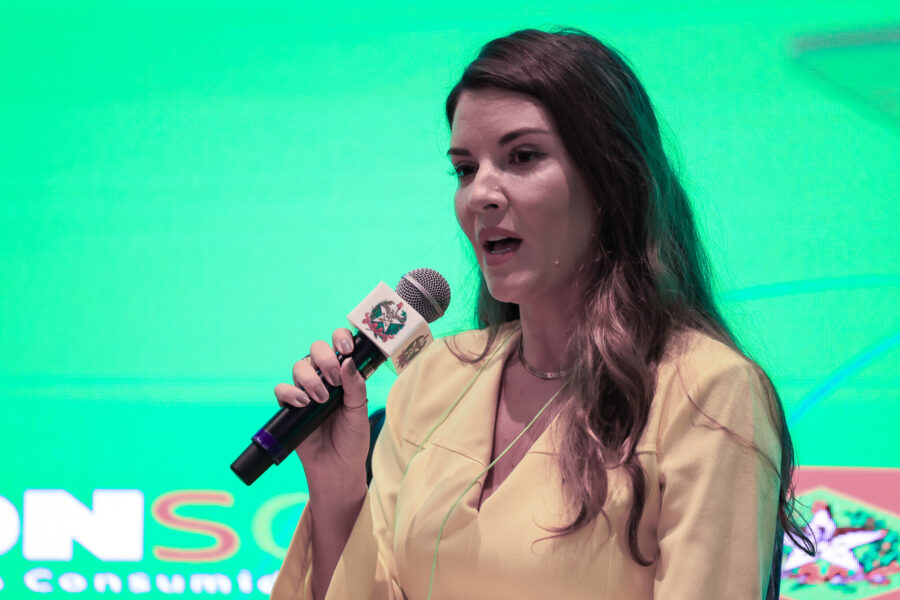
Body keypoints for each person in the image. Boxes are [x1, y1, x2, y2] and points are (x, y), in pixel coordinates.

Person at [270, 27, 812, 600]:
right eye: (465, 169)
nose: (480, 194)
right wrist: (336, 488)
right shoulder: (433, 377)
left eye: (523, 157)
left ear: (612, 180)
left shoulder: (707, 391)